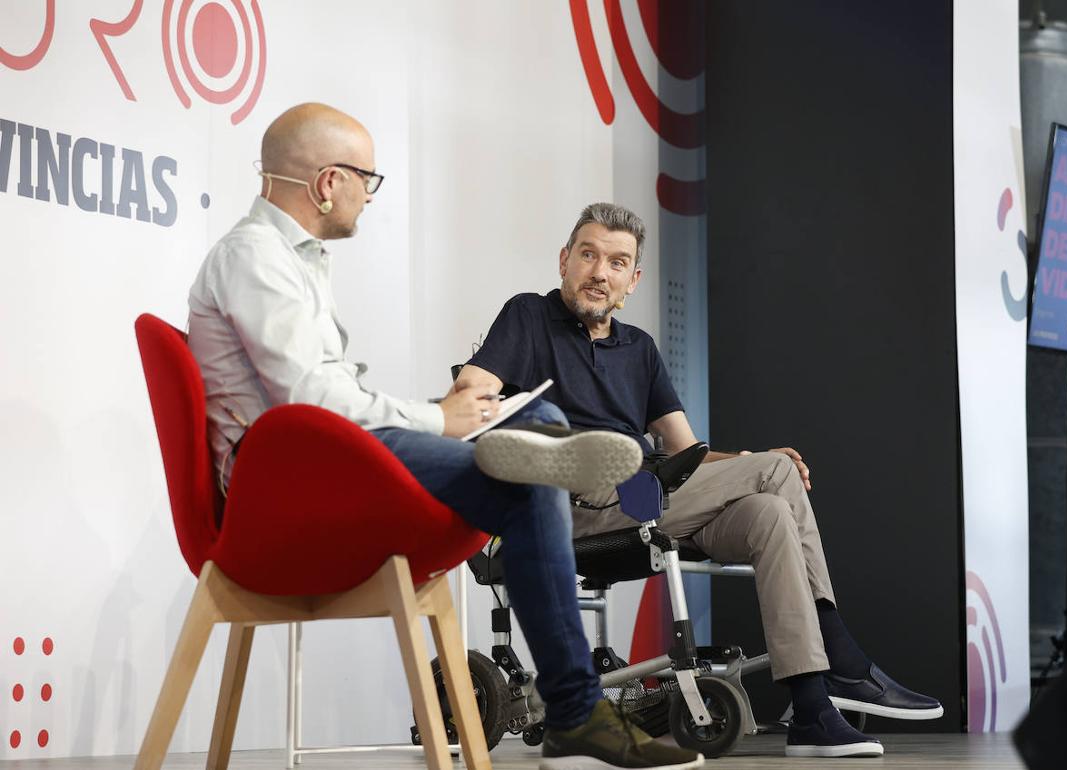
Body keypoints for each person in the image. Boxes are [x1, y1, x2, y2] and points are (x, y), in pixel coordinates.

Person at [187, 105, 704, 770]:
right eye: (366, 182)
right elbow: (312, 403)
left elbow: (324, 400)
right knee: (529, 469)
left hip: (321, 459)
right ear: (327, 183)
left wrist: (442, 414)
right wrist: (440, 419)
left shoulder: (292, 259)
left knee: (530, 460)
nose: (368, 199)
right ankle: (577, 716)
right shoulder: (255, 259)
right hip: (288, 486)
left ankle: (536, 441)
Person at [455, 202, 945, 759]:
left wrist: (754, 460)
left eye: (617, 263)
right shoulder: (527, 316)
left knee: (771, 513)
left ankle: (811, 706)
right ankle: (843, 661)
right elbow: (471, 392)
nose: (599, 272)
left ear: (632, 280)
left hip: (650, 494)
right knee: (775, 473)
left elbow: (688, 453)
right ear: (564, 261)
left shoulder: (638, 348)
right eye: (588, 256)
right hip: (574, 498)